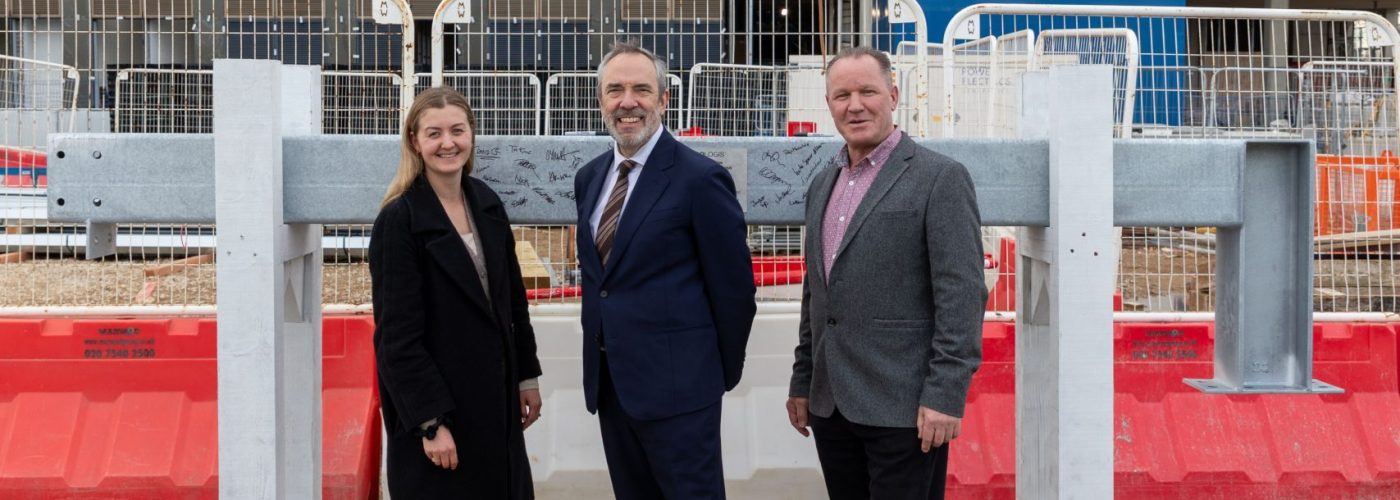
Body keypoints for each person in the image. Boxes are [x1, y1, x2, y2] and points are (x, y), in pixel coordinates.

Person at [786, 46, 987, 500]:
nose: (854, 105)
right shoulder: (823, 184)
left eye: (867, 92)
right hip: (832, 407)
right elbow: (817, 295)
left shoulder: (940, 178)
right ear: (829, 104)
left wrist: (945, 394)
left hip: (907, 408)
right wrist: (803, 381)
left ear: (893, 95)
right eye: (841, 95)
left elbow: (962, 295)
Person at [573, 40, 757, 500]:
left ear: (664, 99)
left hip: (681, 392)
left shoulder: (700, 179)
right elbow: (602, 284)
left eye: (641, 89)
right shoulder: (591, 178)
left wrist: (713, 375)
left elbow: (734, 291)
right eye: (615, 90)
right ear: (601, 101)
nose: (628, 102)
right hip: (613, 387)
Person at [369, 86, 543, 499]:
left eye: (457, 131)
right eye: (434, 134)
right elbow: (396, 339)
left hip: (495, 408)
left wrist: (526, 376)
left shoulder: (486, 203)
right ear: (415, 141)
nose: (448, 143)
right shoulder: (400, 221)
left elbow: (513, 302)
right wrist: (430, 422)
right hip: (441, 416)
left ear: (471, 135)